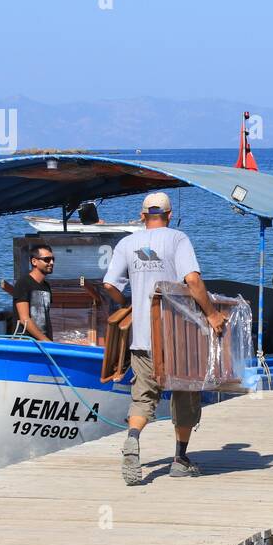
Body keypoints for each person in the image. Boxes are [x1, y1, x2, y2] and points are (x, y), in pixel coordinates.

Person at [102, 192, 226, 485]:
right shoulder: (177, 239)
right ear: (169, 215)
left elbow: (108, 284)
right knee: (185, 395)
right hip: (177, 337)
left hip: (143, 338)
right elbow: (193, 281)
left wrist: (126, 304)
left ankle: (133, 438)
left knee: (143, 397)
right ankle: (180, 459)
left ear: (143, 216)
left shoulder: (127, 243)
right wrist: (211, 314)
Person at [13, 243, 55, 341]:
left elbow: (46, 317)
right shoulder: (23, 283)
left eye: (53, 259)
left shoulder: (46, 286)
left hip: (44, 344)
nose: (52, 262)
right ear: (34, 261)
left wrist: (49, 341)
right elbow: (24, 319)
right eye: (47, 259)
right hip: (27, 343)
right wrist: (46, 341)